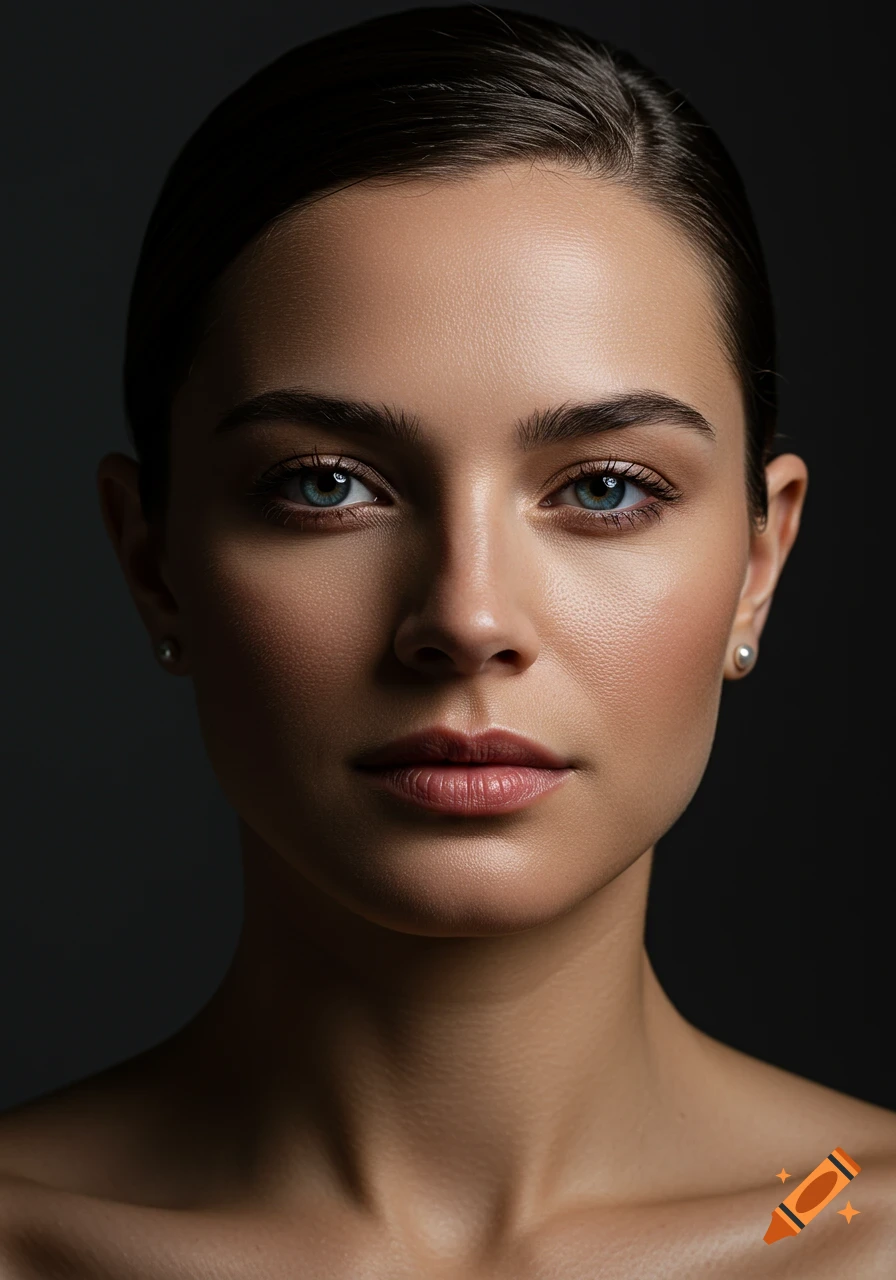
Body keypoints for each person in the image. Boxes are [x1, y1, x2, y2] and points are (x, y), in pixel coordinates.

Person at [1, 6, 893, 1277]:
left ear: (757, 563)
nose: (465, 617)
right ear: (154, 561)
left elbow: (829, 1210)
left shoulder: (839, 1213)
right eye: (324, 484)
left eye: (601, 488)